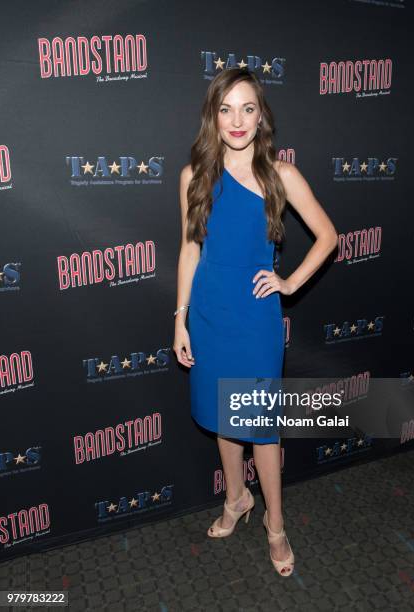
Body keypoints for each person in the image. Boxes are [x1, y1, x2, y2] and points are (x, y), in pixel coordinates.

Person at [173, 67, 338, 577]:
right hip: (207, 315)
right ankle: (236, 499)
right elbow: (188, 249)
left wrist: (289, 283)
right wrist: (180, 318)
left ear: (261, 115)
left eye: (248, 107)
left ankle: (276, 525)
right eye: (226, 109)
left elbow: (328, 236)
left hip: (255, 320)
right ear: (213, 116)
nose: (237, 119)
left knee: (261, 429)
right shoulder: (194, 176)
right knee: (226, 417)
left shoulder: (280, 175)